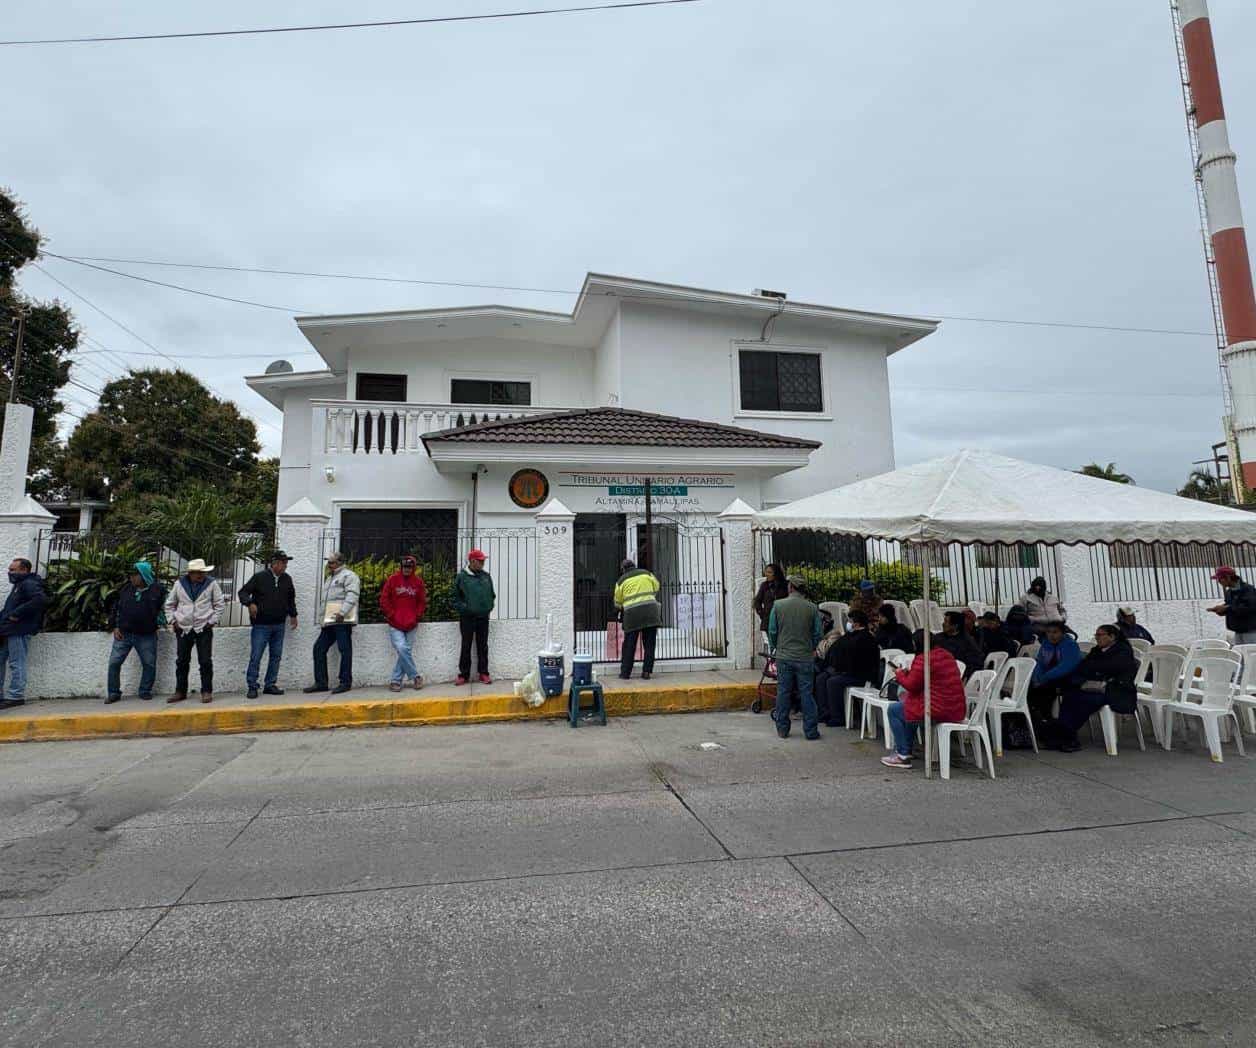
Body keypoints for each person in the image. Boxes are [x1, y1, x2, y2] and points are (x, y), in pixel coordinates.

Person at [880, 635, 967, 770]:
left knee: (894, 710)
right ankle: (906, 750)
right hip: (955, 708)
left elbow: (911, 686)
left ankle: (902, 755)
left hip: (936, 709)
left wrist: (899, 673)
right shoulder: (946, 655)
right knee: (908, 708)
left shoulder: (924, 659)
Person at [1050, 625, 1139, 753]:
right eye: (1096, 635)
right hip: (1095, 686)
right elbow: (1084, 667)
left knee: (1086, 700)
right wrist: (1095, 672)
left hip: (1116, 690)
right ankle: (1066, 733)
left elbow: (1110, 668)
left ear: (1112, 637)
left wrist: (1095, 671)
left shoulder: (1123, 651)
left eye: (1100, 635)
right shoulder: (1097, 650)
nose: (1097, 638)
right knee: (1070, 694)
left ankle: (1068, 735)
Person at [767, 575, 823, 740]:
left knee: (783, 692)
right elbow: (818, 633)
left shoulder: (778, 605)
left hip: (784, 656)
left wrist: (776, 647)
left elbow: (772, 631)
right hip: (804, 657)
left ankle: (783, 729)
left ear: (790, 587)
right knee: (807, 693)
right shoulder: (812, 608)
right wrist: (811, 647)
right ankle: (811, 731)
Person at [164, 557, 225, 704]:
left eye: (202, 572)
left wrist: (211, 622)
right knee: (182, 661)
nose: (201, 575)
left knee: (205, 661)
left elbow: (219, 604)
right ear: (190, 573)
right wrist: (173, 620)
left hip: (204, 628)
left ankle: (206, 691)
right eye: (198, 572)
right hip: (183, 629)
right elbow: (169, 604)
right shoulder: (179, 584)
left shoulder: (211, 584)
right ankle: (180, 691)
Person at [238, 550, 298, 699]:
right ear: (275, 563)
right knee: (256, 655)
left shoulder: (287, 579)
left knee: (276, 656)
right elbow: (243, 592)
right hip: (261, 625)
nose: (285, 566)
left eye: (286, 563)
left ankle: (270, 684)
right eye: (283, 563)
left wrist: (293, 615)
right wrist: (250, 603)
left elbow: (291, 599)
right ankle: (252, 686)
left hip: (279, 624)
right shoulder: (260, 577)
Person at [105, 561, 165, 704]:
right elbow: (116, 608)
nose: (132, 578)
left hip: (146, 635)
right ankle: (113, 692)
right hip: (124, 633)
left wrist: (159, 623)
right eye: (131, 575)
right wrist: (115, 626)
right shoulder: (126, 589)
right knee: (114, 663)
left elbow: (164, 608)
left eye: (135, 575)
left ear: (144, 575)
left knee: (149, 663)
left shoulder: (157, 590)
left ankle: (145, 690)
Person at [305, 551, 360, 695]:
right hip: (330, 621)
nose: (328, 565)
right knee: (319, 648)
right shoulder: (330, 577)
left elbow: (352, 595)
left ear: (339, 563)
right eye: (328, 562)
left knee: (344, 649)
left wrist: (342, 613)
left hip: (342, 620)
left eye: (331, 562)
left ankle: (345, 682)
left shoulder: (349, 576)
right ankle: (321, 683)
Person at [815, 608, 881, 727]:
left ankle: (838, 717)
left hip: (860, 674)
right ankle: (824, 713)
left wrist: (840, 669)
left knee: (832, 682)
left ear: (856, 623)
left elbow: (857, 660)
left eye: (850, 620)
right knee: (821, 678)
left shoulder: (866, 638)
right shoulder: (851, 635)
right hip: (844, 670)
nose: (848, 623)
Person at [0, 558, 47, 710]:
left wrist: (17, 614)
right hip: (8, 630)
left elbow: (40, 600)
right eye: (10, 569)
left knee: (16, 663)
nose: (10, 572)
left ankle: (16, 696)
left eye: (13, 570)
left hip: (19, 630)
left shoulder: (29, 583)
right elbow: (8, 610)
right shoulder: (18, 586)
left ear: (24, 570)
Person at [380, 555, 427, 691]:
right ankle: (416, 677)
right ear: (401, 567)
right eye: (404, 567)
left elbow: (422, 602)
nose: (407, 569)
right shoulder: (393, 580)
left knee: (404, 651)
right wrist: (391, 614)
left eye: (409, 567)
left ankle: (396, 681)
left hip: (411, 624)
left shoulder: (418, 582)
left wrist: (417, 616)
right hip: (395, 623)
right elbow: (384, 599)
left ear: (413, 568)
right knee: (402, 649)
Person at [614, 558, 662, 680]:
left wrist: (621, 607)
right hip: (651, 613)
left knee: (629, 644)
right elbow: (656, 587)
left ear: (623, 569)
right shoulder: (647, 573)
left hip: (632, 616)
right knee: (649, 644)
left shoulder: (621, 581)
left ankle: (625, 673)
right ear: (634, 566)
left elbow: (617, 602)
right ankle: (646, 672)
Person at [453, 548, 495, 685]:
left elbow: (492, 594)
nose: (483, 563)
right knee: (466, 645)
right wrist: (465, 609)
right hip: (467, 618)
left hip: (483, 617)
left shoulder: (486, 576)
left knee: (483, 645)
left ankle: (483, 673)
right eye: (480, 561)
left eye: (483, 561)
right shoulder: (462, 577)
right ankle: (463, 675)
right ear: (472, 561)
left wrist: (489, 607)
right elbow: (455, 597)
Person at [1027, 620, 1082, 723]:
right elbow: (1040, 663)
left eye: (1055, 632)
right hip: (1049, 676)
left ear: (1063, 633)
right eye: (1049, 632)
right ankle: (1032, 716)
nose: (1051, 635)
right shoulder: (1046, 644)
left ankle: (1046, 719)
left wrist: (1044, 678)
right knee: (1029, 686)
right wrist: (1036, 678)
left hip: (1068, 677)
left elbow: (1066, 667)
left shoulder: (1070, 645)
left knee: (1045, 689)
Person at [1208, 566, 1256, 644]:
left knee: (1252, 654)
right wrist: (1220, 610)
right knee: (1240, 654)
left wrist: (1226, 608)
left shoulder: (1248, 589)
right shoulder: (1229, 592)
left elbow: (1250, 607)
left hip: (1251, 631)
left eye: (1220, 579)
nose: (1219, 581)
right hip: (1237, 631)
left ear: (1228, 577)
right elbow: (1231, 606)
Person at [935, 611, 983, 679]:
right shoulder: (938, 637)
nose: (943, 624)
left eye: (946, 622)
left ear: (955, 625)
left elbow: (975, 663)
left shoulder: (967, 642)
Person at [753, 563, 788, 634]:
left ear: (776, 573)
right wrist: (762, 614)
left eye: (770, 572)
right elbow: (757, 601)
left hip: (782, 619)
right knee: (772, 643)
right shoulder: (764, 586)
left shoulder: (785, 585)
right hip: (768, 619)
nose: (766, 574)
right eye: (766, 572)